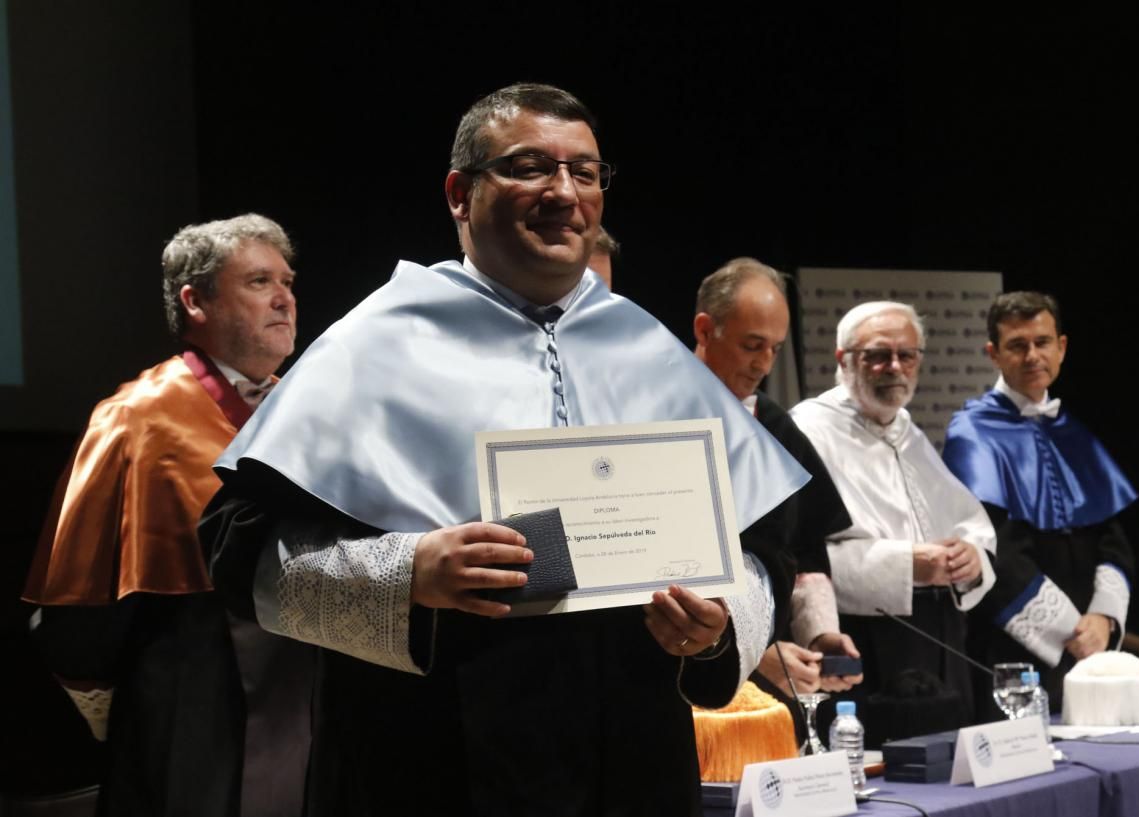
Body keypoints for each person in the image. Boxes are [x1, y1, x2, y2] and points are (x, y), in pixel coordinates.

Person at [200, 83, 810, 816]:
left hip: (634, 764)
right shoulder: (376, 344)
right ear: (461, 194)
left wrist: (716, 626)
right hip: (433, 758)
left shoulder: (648, 348)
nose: (563, 192)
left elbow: (765, 546)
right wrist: (407, 572)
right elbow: (239, 548)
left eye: (584, 172)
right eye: (529, 167)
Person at [22, 214, 313, 817]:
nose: (285, 296)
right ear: (195, 300)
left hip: (308, 675)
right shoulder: (136, 416)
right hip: (191, 686)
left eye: (287, 281)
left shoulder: (307, 403)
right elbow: (80, 611)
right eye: (259, 282)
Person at [789, 301, 996, 745]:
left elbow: (970, 523)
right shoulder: (808, 430)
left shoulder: (907, 431)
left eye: (908, 355)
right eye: (878, 355)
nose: (895, 367)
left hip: (941, 637)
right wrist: (907, 565)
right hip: (868, 639)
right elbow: (803, 557)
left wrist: (972, 556)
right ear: (843, 359)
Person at [943, 291, 1136, 712]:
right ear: (993, 354)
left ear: (1061, 347)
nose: (1033, 356)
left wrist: (1103, 620)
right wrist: (1069, 630)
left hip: (1092, 644)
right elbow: (992, 545)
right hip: (1014, 646)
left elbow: (1112, 536)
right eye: (1017, 345)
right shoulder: (972, 432)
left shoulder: (1074, 430)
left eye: (1042, 342)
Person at [692, 257, 861, 699]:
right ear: (706, 330)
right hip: (686, 675)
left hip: (772, 676)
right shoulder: (652, 417)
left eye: (775, 348)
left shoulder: (776, 427)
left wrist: (819, 635)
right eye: (752, 346)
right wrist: (750, 648)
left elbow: (803, 549)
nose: (764, 364)